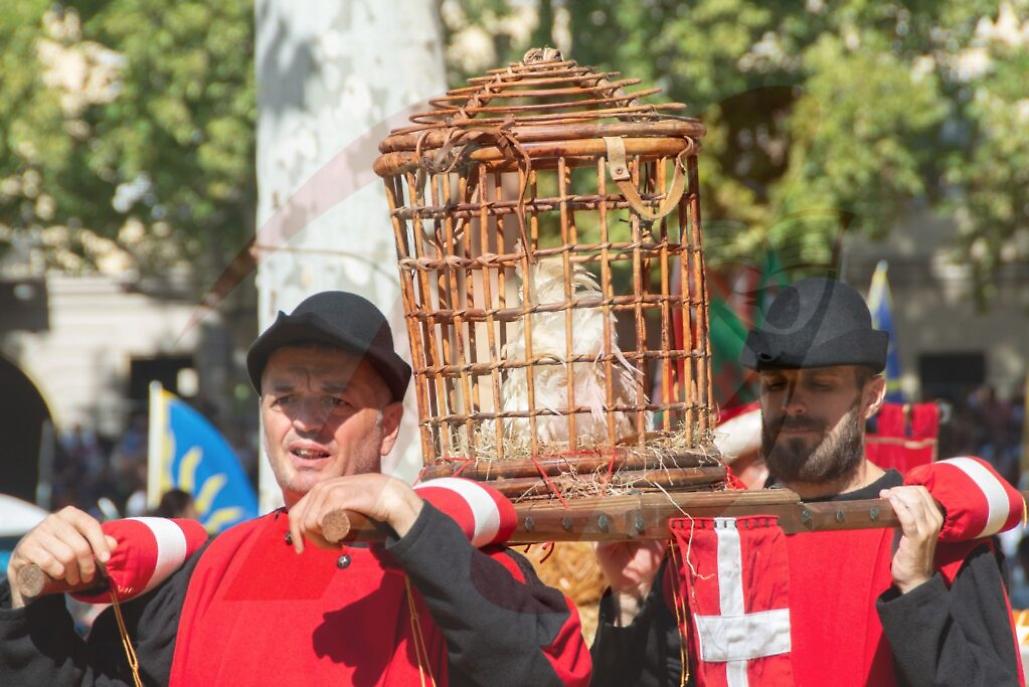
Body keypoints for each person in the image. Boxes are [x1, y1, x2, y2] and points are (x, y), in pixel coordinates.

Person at [2, 291, 591, 686]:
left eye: (336, 400)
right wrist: (29, 598)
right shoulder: (206, 572)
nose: (306, 422)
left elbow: (543, 672)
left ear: (388, 426)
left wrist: (400, 513)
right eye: (285, 399)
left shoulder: (451, 564)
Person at [590, 277, 1020, 686]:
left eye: (820, 384)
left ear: (871, 396)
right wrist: (630, 597)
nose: (793, 404)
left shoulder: (936, 535)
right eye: (777, 384)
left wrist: (917, 591)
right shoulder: (721, 542)